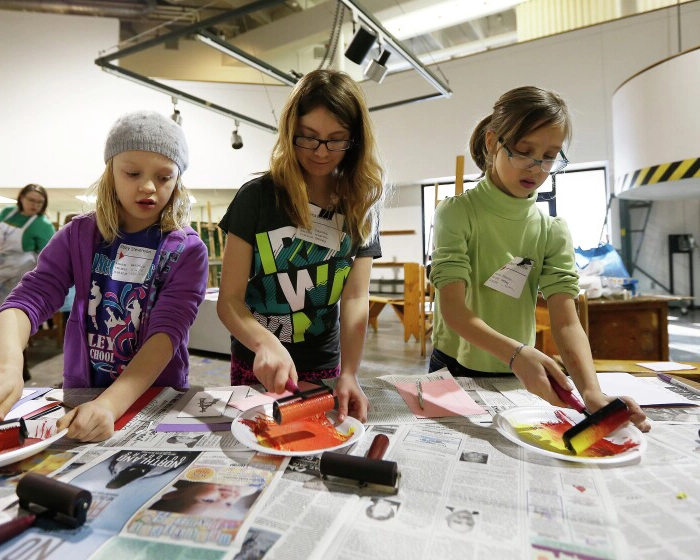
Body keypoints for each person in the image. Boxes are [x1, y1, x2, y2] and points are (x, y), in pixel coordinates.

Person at [0, 110, 209, 442]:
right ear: (111, 172)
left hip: (154, 396)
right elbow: (28, 299)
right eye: (132, 172)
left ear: (177, 181)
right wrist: (3, 365)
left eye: (164, 177)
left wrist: (110, 404)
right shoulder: (78, 235)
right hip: (84, 391)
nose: (149, 186)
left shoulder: (186, 249)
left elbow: (167, 333)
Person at [429, 86, 649, 432]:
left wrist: (591, 391)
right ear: (492, 143)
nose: (536, 167)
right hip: (454, 366)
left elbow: (566, 321)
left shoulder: (551, 230)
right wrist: (516, 352)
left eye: (549, 156)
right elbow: (453, 310)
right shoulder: (457, 214)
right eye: (524, 151)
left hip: (519, 371)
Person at [217, 69, 384, 423]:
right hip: (257, 362)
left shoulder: (360, 204)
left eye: (336, 139)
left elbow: (354, 298)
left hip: (323, 362)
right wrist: (264, 342)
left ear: (355, 140)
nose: (321, 152)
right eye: (308, 138)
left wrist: (350, 373)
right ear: (290, 132)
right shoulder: (257, 199)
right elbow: (229, 300)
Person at [0, 184, 55, 314]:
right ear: (21, 198)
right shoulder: (7, 212)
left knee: (12, 313)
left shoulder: (43, 224)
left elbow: (49, 259)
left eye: (40, 202)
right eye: (31, 200)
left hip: (20, 277)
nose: (35, 205)